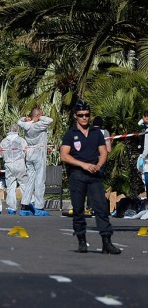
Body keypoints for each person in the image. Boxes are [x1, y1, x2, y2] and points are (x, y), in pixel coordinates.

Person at [60, 99, 121, 254]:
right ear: (75, 116)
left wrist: (99, 166)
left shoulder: (96, 133)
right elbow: (64, 155)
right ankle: (81, 240)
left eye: (87, 115)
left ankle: (107, 241)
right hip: (77, 175)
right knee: (79, 209)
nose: (84, 118)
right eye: (81, 115)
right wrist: (83, 165)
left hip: (94, 176)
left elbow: (103, 152)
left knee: (101, 207)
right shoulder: (70, 134)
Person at [17, 107, 53, 216]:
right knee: (40, 180)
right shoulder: (38, 125)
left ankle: (25, 204)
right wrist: (39, 117)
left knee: (29, 179)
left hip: (29, 152)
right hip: (39, 152)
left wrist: (26, 118)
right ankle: (39, 206)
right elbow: (50, 120)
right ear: (38, 115)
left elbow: (19, 122)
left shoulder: (26, 125)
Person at [0, 124, 28, 215]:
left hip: (8, 165)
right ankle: (27, 204)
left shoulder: (4, 141)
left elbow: (2, 153)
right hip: (20, 164)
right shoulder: (21, 141)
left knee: (10, 186)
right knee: (24, 185)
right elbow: (26, 152)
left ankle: (12, 207)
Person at [138, 110, 148, 193]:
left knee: (146, 178)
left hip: (146, 157)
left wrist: (142, 156)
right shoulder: (144, 127)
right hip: (144, 155)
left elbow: (146, 147)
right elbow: (139, 123)